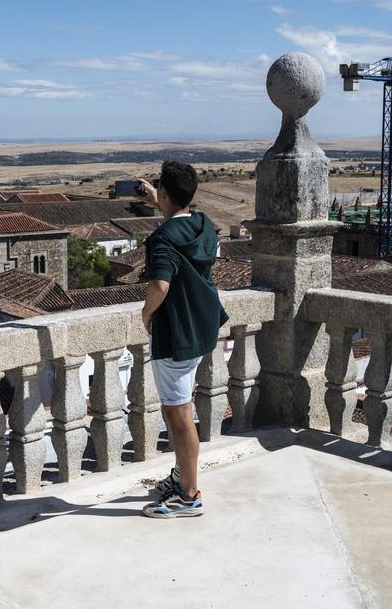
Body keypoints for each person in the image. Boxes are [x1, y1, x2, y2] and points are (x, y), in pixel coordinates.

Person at [135, 161, 228, 518]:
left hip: (176, 333)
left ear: (168, 193)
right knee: (181, 406)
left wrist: (146, 313)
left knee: (178, 416)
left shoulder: (162, 239)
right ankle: (181, 475)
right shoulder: (203, 225)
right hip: (203, 326)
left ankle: (188, 495)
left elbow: (160, 284)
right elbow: (181, 219)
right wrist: (158, 197)